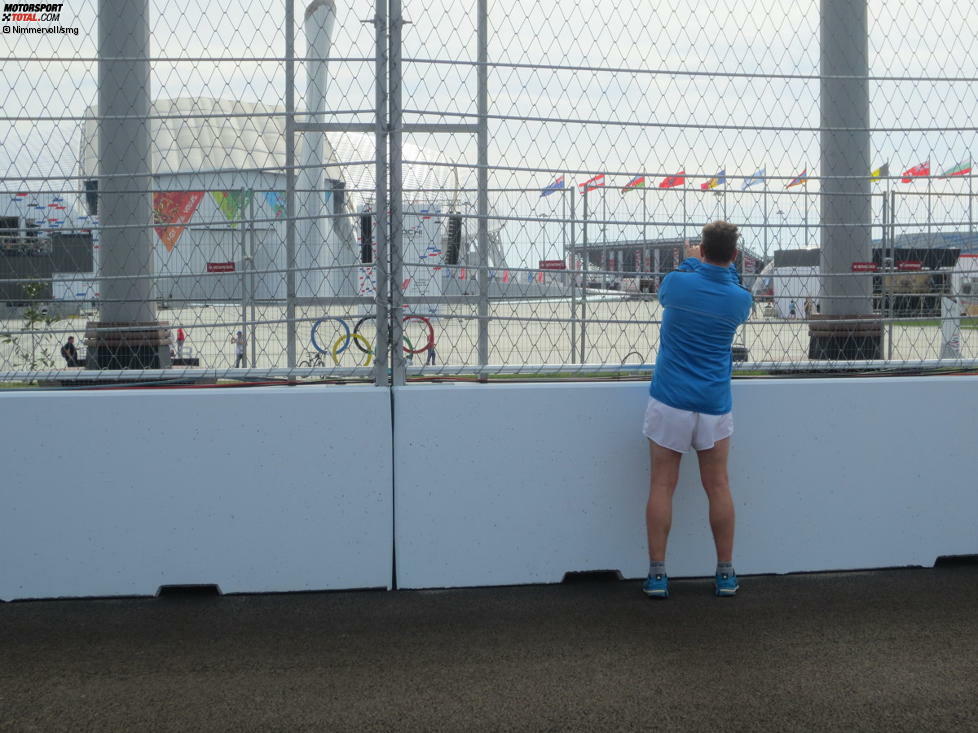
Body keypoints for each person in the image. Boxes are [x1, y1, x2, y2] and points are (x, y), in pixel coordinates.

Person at [643, 221, 752, 599]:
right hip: (713, 404)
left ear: (701, 249)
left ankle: (658, 574)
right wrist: (715, 265)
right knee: (718, 485)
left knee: (661, 485)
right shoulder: (740, 300)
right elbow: (732, 285)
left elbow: (669, 290)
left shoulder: (678, 282)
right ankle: (725, 574)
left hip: (670, 399)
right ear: (734, 255)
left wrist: (691, 262)